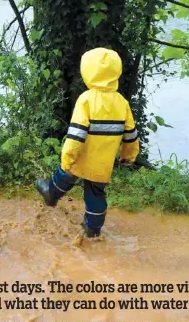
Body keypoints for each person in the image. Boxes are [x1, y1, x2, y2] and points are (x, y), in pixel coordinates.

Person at [35, 48, 140, 238]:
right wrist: (128, 156)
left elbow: (76, 135)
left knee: (68, 172)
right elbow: (131, 134)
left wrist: (67, 158)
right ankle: (92, 229)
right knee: (96, 193)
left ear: (88, 73)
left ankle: (51, 194)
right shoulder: (122, 103)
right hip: (103, 161)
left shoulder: (86, 100)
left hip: (83, 154)